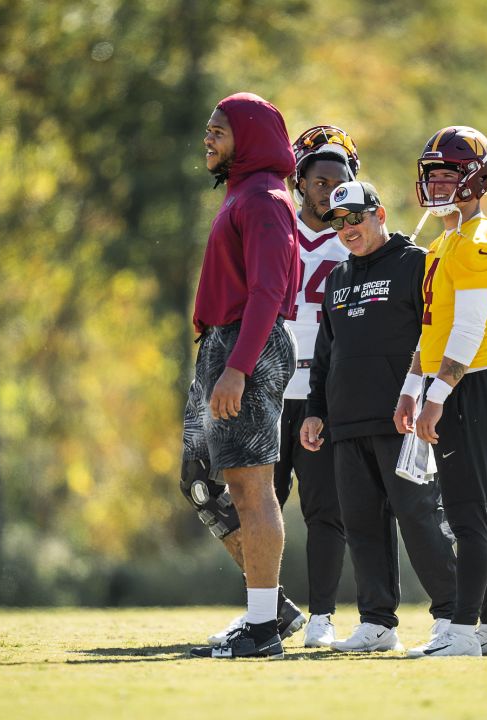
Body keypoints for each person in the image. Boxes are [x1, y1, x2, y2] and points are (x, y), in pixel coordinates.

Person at [198, 126, 359, 650]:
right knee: (249, 497)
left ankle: (322, 615)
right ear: (300, 178)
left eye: (340, 181)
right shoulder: (276, 217)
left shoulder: (358, 237)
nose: (329, 191)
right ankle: (266, 609)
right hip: (270, 383)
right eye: (318, 179)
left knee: (323, 507)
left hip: (322, 389)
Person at [300, 180, 458, 653]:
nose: (347, 229)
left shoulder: (415, 264)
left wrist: (429, 397)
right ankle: (377, 623)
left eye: (356, 218)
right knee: (361, 523)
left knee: (418, 516)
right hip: (347, 424)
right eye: (338, 221)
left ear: (380, 213)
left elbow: (437, 335)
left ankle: (452, 617)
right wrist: (315, 412)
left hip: (401, 420)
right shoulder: (338, 278)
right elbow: (326, 355)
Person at [185, 92, 301, 660]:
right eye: (208, 130)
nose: (208, 138)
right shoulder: (242, 194)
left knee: (253, 489)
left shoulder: (263, 200)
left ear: (249, 137)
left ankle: (263, 628)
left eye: (219, 131)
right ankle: (270, 610)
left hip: (245, 348)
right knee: (203, 478)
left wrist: (237, 368)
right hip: (224, 345)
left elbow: (268, 293)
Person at [393, 126, 487, 658]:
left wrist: (437, 396)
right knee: (484, 514)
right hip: (452, 382)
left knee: (467, 515)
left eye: (448, 174)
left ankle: (463, 631)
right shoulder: (445, 241)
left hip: (470, 384)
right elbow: (432, 329)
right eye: (432, 175)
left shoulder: (480, 239)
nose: (437, 184)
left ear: (476, 179)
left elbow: (466, 334)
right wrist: (408, 390)